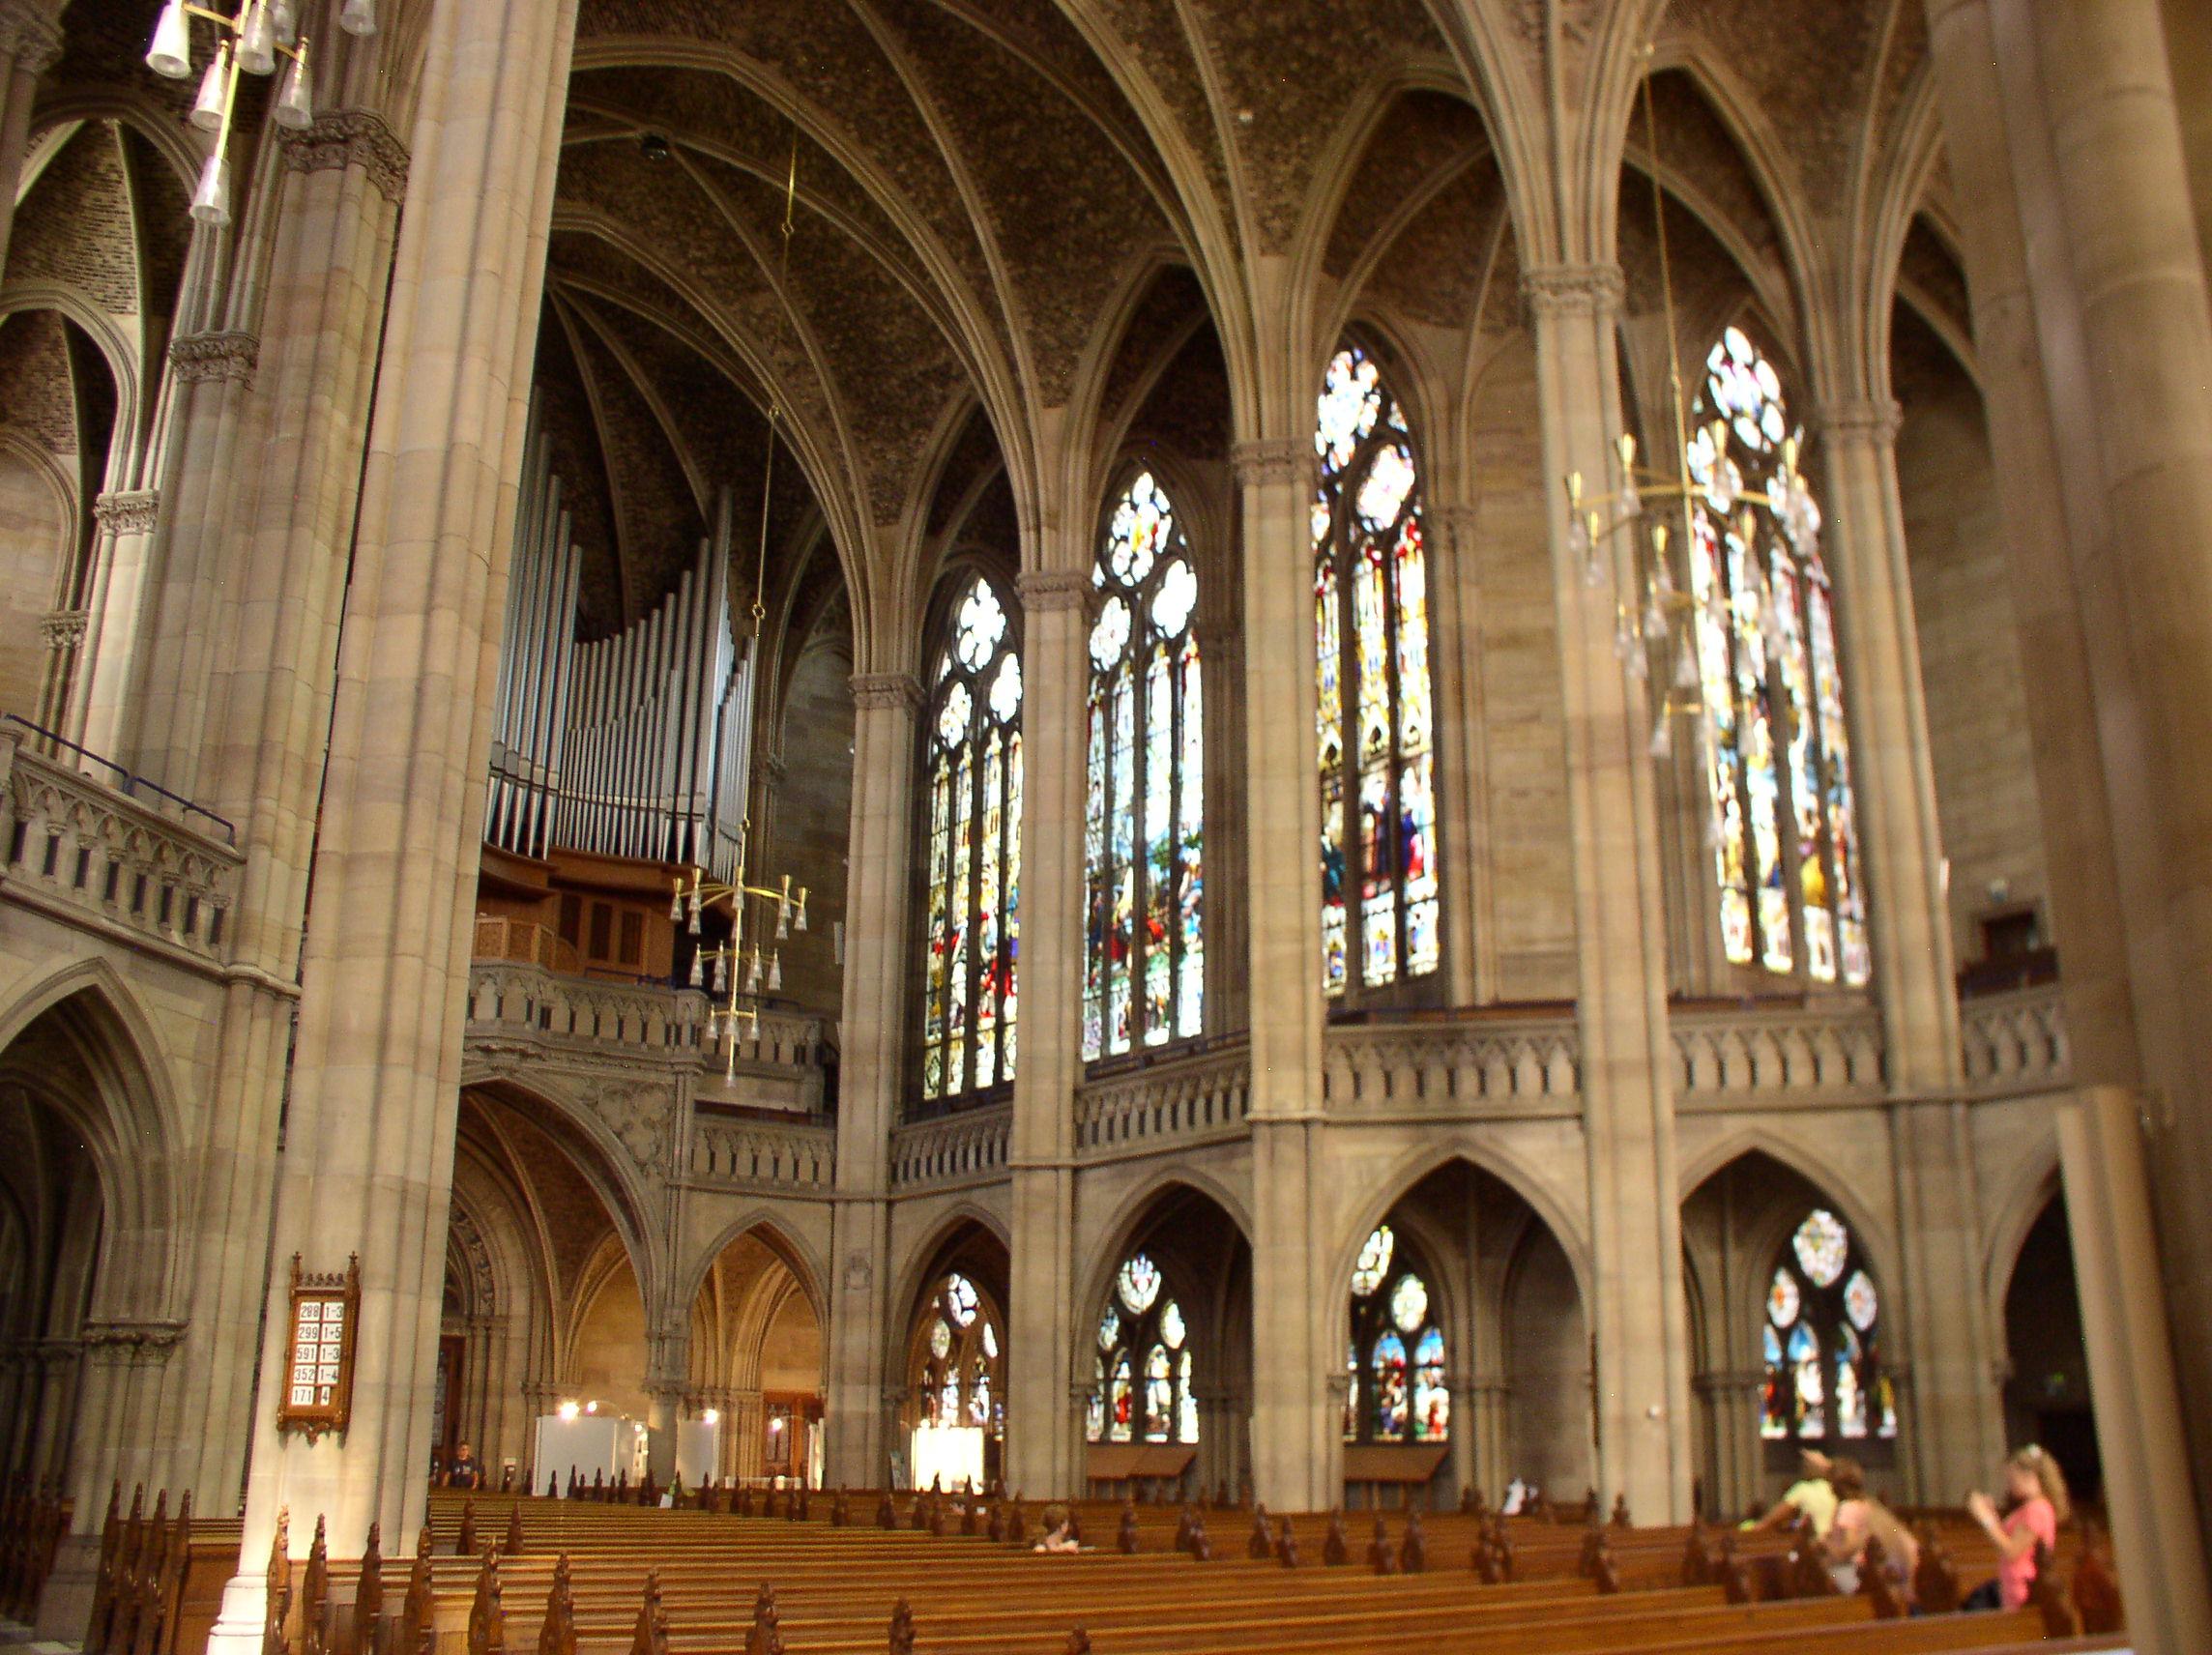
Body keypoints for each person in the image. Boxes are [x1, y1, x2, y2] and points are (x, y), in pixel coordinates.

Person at [1963, 1444, 2069, 1611]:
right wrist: (1991, 1516)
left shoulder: (2037, 1509)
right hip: (2012, 1584)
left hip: (2023, 1587)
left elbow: (2012, 1550)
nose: (2009, 1485)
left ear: (2029, 1476)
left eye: (2012, 1479)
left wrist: (1984, 1518)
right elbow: (2004, 1541)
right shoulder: (2028, 1507)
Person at [1823, 1458, 1917, 1597]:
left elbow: (1850, 1546)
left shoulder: (1847, 1508)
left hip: (1866, 1575)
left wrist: (1826, 1544)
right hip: (1890, 1573)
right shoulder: (1871, 1505)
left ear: (1836, 1486)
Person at [1742, 1448, 1838, 1537]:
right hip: (1834, 1541)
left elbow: (1775, 1517)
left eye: (1805, 1466)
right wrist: (1793, 1524)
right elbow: (1802, 1521)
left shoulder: (1803, 1489)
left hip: (1816, 1543)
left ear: (1812, 1469)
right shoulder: (1834, 1488)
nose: (1803, 1468)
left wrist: (1755, 1529)